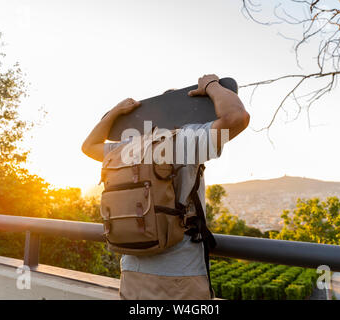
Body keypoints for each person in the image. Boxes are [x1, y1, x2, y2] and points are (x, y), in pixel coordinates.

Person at [81, 74, 249, 300]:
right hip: (178, 274)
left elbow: (89, 146)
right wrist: (211, 85)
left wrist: (114, 113)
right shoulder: (183, 140)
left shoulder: (127, 148)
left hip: (131, 270)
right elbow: (237, 117)